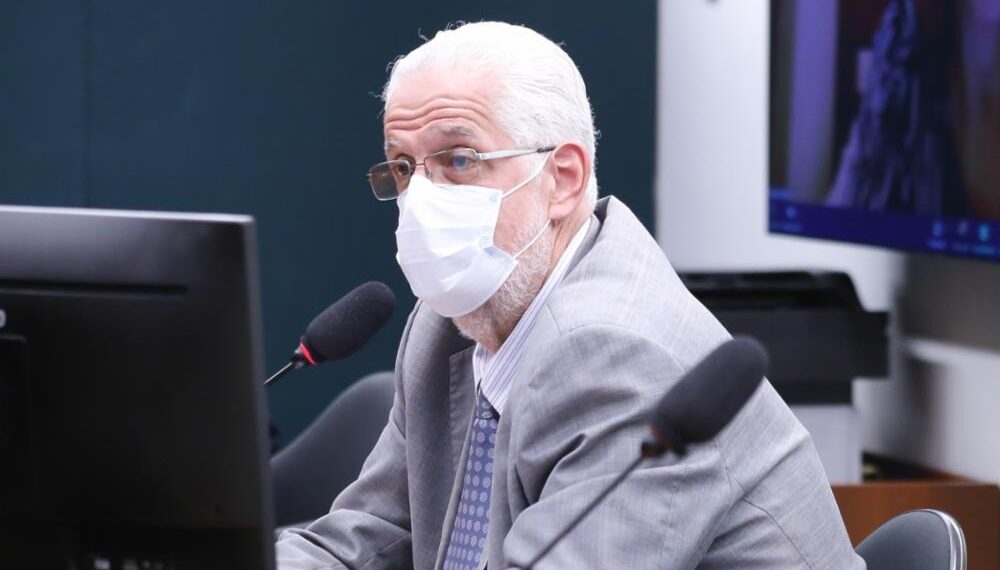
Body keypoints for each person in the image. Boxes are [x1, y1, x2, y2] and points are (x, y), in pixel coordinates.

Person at [277, 21, 864, 569]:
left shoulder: (619, 355)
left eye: (459, 160)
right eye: (405, 168)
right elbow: (365, 539)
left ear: (562, 179)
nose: (422, 199)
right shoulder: (443, 326)